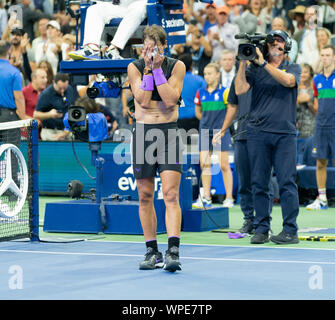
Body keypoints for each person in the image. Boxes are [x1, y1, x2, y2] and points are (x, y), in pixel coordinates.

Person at [233, 29, 301, 244]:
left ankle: (290, 229)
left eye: (279, 41)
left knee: (286, 182)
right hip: (257, 132)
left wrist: (263, 64)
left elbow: (288, 81)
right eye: (272, 41)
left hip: (284, 133)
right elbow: (240, 89)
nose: (275, 44)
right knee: (259, 183)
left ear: (286, 46)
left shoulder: (293, 67)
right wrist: (244, 61)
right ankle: (262, 228)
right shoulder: (254, 68)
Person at [127, 25, 185, 272]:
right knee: (145, 195)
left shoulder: (177, 66)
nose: (148, 51)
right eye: (145, 47)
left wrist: (158, 69)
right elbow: (141, 99)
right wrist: (149, 69)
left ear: (163, 46)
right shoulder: (134, 67)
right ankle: (152, 251)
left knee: (171, 195)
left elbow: (170, 98)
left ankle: (173, 250)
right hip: (143, 133)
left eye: (153, 47)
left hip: (169, 133)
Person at [192, 62, 234, 209]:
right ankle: (206, 197)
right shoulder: (200, 92)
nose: (207, 76)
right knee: (205, 165)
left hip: (221, 132)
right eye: (205, 74)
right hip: (204, 131)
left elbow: (231, 111)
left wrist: (222, 128)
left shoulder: (225, 91)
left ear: (217, 74)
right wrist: (206, 123)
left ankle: (229, 198)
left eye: (210, 73)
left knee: (224, 165)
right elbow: (198, 112)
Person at [306, 45, 335, 211]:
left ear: (334, 57)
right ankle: (322, 198)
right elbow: (317, 102)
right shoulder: (316, 79)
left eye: (328, 55)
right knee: (320, 162)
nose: (325, 58)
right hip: (321, 126)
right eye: (322, 55)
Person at [69, 0, 147, 60]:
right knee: (94, 9)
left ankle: (113, 48)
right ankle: (91, 49)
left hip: (140, 4)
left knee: (140, 8)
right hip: (120, 6)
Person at [33, 73, 79, 141]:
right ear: (54, 82)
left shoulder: (69, 89)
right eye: (60, 88)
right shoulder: (46, 94)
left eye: (64, 88)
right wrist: (49, 115)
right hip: (50, 132)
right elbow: (35, 114)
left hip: (66, 131)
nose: (62, 91)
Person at [177, 53, 206, 133]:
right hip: (196, 120)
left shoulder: (172, 81)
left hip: (178, 122)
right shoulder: (199, 80)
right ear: (191, 66)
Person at [296, 63, 315, 138]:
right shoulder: (293, 88)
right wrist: (298, 100)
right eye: (301, 72)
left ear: (310, 74)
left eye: (305, 72)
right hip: (296, 127)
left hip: (310, 127)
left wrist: (309, 101)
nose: (303, 74)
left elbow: (317, 111)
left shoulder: (314, 89)